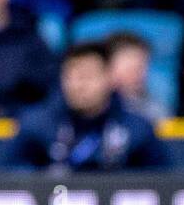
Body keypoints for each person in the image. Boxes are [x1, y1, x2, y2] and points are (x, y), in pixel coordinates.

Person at [10, 41, 170, 170]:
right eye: (70, 77)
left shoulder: (137, 129)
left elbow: (160, 184)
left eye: (87, 77)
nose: (77, 86)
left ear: (110, 78)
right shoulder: (36, 125)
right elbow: (11, 183)